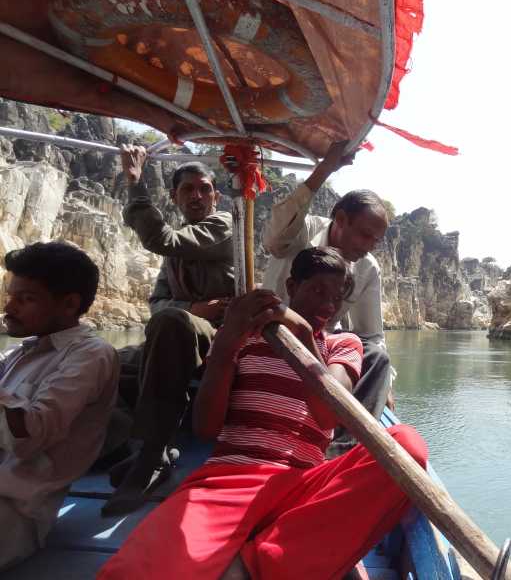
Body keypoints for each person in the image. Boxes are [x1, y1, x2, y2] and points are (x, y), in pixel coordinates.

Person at [97, 247, 427, 580]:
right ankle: (282, 555)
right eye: (317, 291)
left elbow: (328, 416)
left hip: (303, 485)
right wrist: (227, 340)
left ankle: (256, 564)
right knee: (130, 574)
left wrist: (302, 336)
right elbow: (207, 427)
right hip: (230, 479)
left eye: (337, 297)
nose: (328, 306)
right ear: (291, 285)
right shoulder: (246, 337)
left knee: (407, 447)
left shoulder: (342, 345)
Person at [103, 145, 235, 515]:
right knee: (102, 360)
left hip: (222, 339)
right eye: (187, 190)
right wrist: (190, 308)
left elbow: (162, 240)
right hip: (177, 332)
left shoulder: (223, 225)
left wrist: (134, 180)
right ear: (174, 197)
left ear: (216, 195)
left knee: (172, 322)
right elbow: (157, 303)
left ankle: (153, 454)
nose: (197, 196)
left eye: (204, 188)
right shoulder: (176, 255)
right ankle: (115, 443)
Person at [262, 142, 392, 456]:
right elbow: (273, 239)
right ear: (341, 219)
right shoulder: (302, 232)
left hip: (318, 348)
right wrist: (324, 170)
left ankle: (340, 448)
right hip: (268, 334)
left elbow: (372, 334)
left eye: (376, 240)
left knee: (377, 357)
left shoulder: (367, 268)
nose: (369, 246)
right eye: (364, 235)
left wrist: (388, 384)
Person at [0, 242, 118, 571]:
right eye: (11, 296)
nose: (9, 307)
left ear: (68, 305)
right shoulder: (21, 354)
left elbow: (28, 439)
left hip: (14, 510)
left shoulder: (90, 355)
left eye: (25, 299)